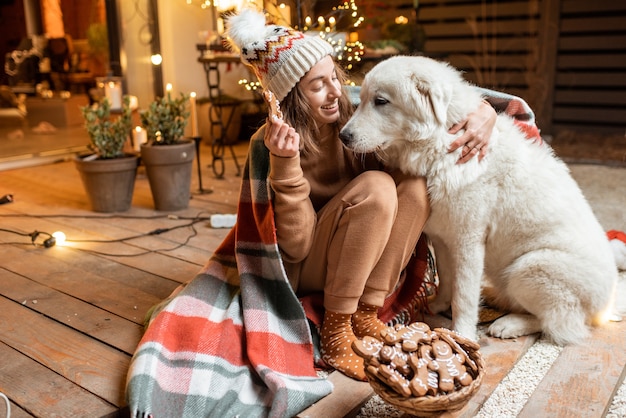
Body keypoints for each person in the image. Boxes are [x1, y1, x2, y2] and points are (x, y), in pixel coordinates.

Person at [224, 8, 500, 381]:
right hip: (308, 266)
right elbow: (297, 246)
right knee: (377, 187)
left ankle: (367, 313)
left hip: (357, 253)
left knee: (416, 187)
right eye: (318, 84)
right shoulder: (271, 144)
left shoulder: (346, 108)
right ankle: (337, 331)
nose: (335, 90)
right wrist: (285, 165)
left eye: (334, 77)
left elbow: (426, 89)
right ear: (290, 97)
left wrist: (484, 111)